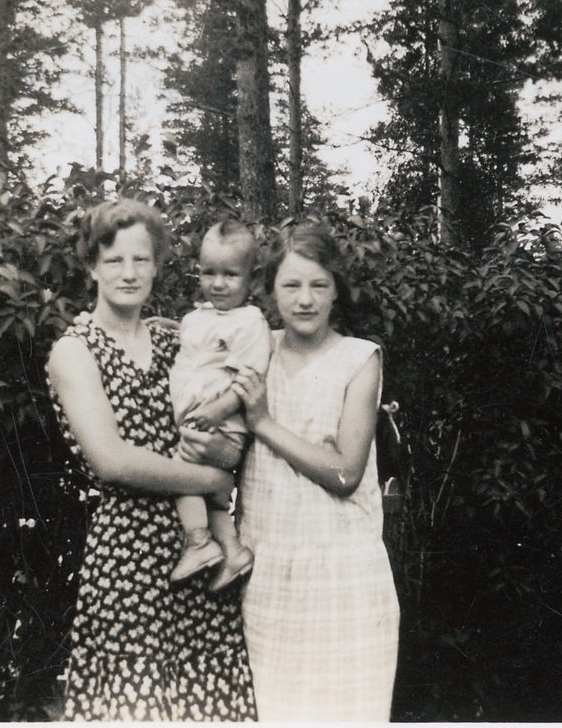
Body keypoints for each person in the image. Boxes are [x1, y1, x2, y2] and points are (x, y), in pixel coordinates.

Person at [45, 199, 256, 721]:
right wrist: (213, 480)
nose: (129, 272)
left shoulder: (173, 340)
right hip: (128, 559)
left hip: (201, 562)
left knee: (206, 707)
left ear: (158, 265)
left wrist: (225, 460)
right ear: (92, 266)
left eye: (141, 259)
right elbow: (112, 461)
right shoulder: (75, 351)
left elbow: (231, 412)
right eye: (114, 260)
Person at [230, 222, 400, 722]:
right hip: (267, 577)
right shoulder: (253, 351)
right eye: (291, 285)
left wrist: (262, 422)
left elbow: (347, 473)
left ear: (336, 290)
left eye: (318, 285)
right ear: (269, 291)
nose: (304, 299)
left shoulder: (359, 359)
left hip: (345, 579)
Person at [169, 220, 269, 591]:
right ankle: (233, 550)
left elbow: (250, 378)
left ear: (252, 280)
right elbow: (197, 345)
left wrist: (218, 410)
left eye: (230, 274)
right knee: (211, 498)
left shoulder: (249, 322)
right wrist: (168, 326)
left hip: (221, 425)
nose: (218, 283)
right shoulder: (198, 317)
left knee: (181, 475)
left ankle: (198, 544)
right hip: (200, 422)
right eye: (209, 272)